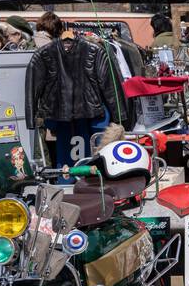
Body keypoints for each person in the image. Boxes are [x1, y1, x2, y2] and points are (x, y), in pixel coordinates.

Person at [30, 12, 123, 172]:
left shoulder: (92, 50)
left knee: (69, 158)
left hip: (63, 115)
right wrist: (120, 116)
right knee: (87, 155)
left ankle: (71, 179)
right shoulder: (93, 50)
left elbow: (34, 87)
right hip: (87, 112)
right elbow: (108, 86)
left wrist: (35, 117)